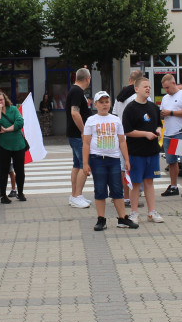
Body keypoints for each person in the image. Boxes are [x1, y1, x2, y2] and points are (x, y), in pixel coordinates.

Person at [82, 91, 137, 230]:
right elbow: (86, 143)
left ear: (110, 103)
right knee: (100, 189)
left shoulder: (116, 119)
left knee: (117, 190)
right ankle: (101, 219)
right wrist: (85, 163)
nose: (104, 105)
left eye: (107, 102)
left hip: (113, 159)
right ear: (95, 104)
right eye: (101, 102)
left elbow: (122, 141)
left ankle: (122, 218)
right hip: (97, 159)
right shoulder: (91, 121)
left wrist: (127, 159)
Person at [122, 77, 164, 224]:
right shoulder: (130, 108)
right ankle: (134, 213)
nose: (148, 89)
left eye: (149, 87)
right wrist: (145, 134)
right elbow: (127, 131)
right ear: (136, 89)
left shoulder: (153, 107)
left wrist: (158, 130)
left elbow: (159, 124)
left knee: (149, 182)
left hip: (152, 151)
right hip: (136, 152)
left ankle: (151, 212)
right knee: (135, 183)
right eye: (145, 86)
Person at [0, 90, 27, 203]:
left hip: (18, 144)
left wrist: (7, 129)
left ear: (5, 99)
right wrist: (0, 110)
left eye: (1, 99)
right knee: (4, 170)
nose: (0, 102)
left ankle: (20, 192)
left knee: (20, 170)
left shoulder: (13, 109)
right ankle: (4, 195)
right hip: (3, 145)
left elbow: (20, 122)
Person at [160, 73, 182, 198]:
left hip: (180, 132)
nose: (167, 90)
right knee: (171, 161)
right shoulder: (165, 98)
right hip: (169, 133)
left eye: (168, 87)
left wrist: (171, 112)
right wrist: (163, 114)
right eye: (165, 88)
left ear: (174, 83)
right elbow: (164, 112)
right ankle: (173, 186)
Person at [66, 68, 93, 208]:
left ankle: (75, 195)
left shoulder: (75, 90)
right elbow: (75, 113)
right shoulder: (77, 91)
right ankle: (77, 196)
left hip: (74, 134)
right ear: (87, 78)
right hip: (78, 135)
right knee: (84, 165)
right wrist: (84, 131)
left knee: (77, 165)